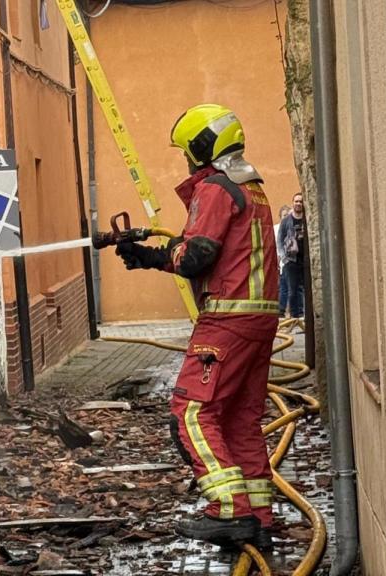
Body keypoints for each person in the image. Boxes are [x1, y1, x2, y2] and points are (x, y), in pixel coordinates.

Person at [95, 104, 279, 550]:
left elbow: (197, 256)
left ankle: (229, 511)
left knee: (192, 411)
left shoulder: (215, 188)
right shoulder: (250, 188)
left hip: (226, 322)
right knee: (239, 418)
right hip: (259, 320)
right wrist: (154, 257)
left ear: (201, 148)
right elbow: (215, 253)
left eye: (187, 152)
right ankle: (257, 515)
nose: (185, 161)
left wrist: (168, 252)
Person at [277, 194, 306, 318]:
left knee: (304, 289)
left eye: (300, 201)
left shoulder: (307, 219)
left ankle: (303, 315)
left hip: (305, 259)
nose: (298, 203)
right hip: (291, 260)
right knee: (292, 290)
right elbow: (279, 240)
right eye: (296, 201)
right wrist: (284, 258)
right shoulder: (286, 221)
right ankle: (296, 315)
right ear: (293, 203)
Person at [274, 205, 291, 315]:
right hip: (281, 264)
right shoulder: (276, 229)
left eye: (288, 215)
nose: (287, 217)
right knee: (282, 289)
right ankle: (281, 311)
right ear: (280, 217)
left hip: (292, 263)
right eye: (285, 215)